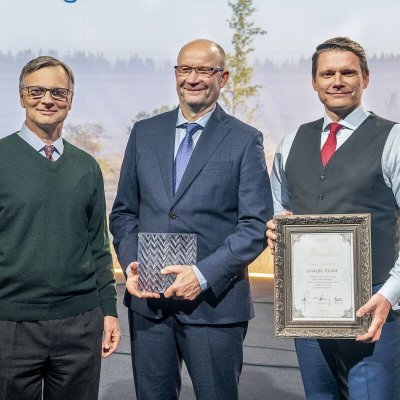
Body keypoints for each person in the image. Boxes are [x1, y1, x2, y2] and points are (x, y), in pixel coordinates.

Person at [110, 39, 273, 400]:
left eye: (204, 70)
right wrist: (132, 264)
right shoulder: (144, 133)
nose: (193, 78)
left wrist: (201, 276)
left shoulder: (245, 140)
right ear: (176, 74)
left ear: (223, 77)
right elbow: (123, 212)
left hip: (214, 306)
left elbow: (254, 226)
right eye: (185, 69)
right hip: (149, 304)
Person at [267, 37, 400, 400]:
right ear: (314, 82)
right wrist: (277, 230)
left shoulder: (393, 139)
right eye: (327, 74)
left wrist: (390, 295)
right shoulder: (291, 141)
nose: (337, 81)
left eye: (348, 73)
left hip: (376, 304)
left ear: (365, 78)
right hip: (308, 308)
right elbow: (280, 210)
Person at [0, 56, 121, 400]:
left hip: (80, 324)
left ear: (70, 99)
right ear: (21, 96)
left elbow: (98, 247)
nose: (47, 100)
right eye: (36, 91)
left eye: (58, 92)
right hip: (10, 323)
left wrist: (108, 310)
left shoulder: (87, 167)